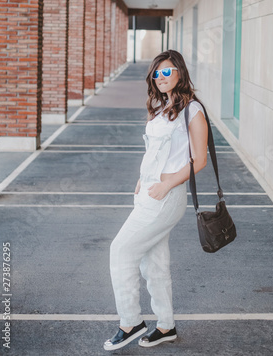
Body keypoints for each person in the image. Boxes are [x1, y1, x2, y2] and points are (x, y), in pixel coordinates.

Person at [104, 49, 208, 351]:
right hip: (148, 193)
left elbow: (198, 159)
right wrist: (143, 179)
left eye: (167, 71)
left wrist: (167, 183)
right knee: (155, 264)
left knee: (121, 250)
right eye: (156, 73)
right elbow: (156, 151)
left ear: (180, 73)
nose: (161, 77)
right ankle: (166, 325)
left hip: (166, 196)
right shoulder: (162, 107)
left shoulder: (192, 109)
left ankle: (130, 322)